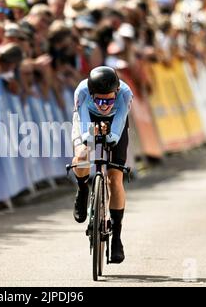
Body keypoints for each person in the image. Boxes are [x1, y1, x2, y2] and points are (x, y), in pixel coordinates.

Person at [71, 66, 133, 264]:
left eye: (109, 100)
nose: (104, 104)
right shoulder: (81, 92)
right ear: (91, 94)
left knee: (115, 178)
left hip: (116, 122)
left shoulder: (125, 94)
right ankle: (82, 190)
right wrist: (90, 138)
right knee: (81, 155)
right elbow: (83, 123)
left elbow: (120, 120)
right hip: (88, 119)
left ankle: (117, 237)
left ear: (116, 92)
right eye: (99, 99)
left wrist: (111, 137)